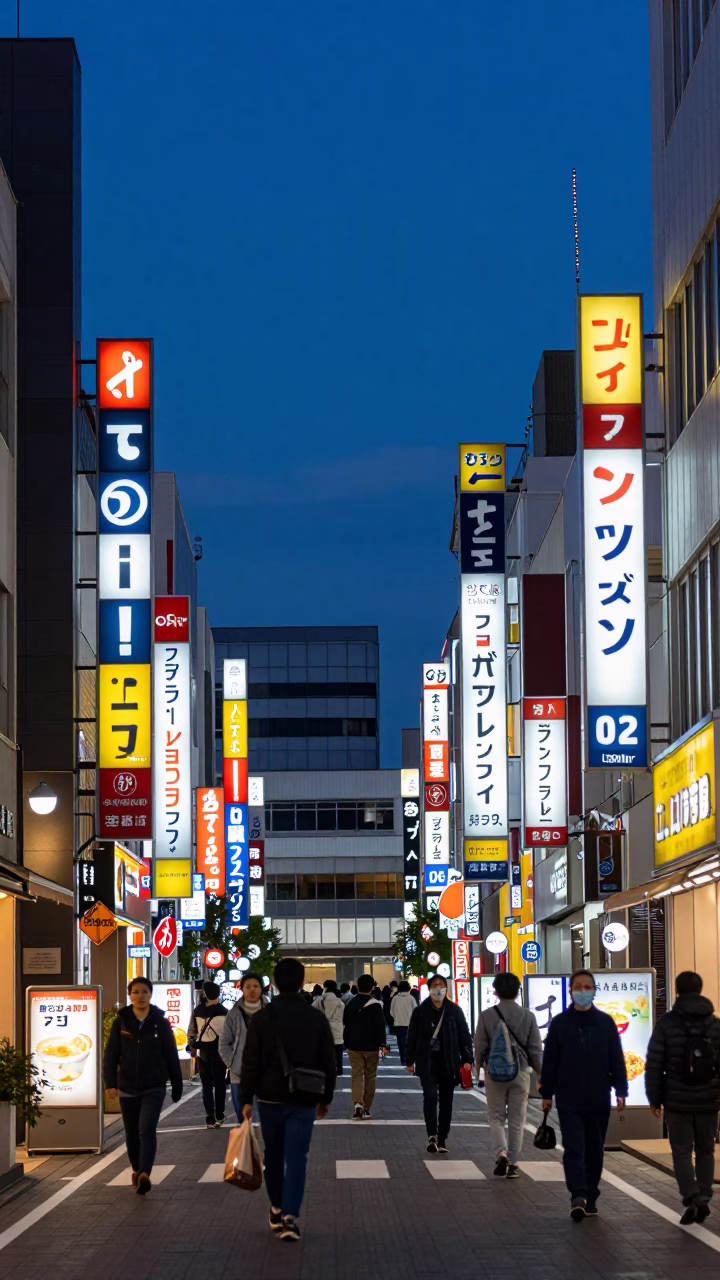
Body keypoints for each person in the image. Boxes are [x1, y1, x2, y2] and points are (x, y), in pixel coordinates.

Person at [240, 958, 336, 1243]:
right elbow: (328, 1061)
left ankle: (277, 1206)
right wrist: (325, 1097)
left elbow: (250, 1061)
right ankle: (290, 1216)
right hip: (304, 1099)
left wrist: (246, 1098)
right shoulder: (315, 1017)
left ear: (275, 983)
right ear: (301, 980)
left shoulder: (262, 1018)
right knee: (297, 1158)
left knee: (273, 1155)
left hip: (269, 1099)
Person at [540, 969, 628, 1221]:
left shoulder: (606, 1022)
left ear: (594, 991)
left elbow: (616, 1057)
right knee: (574, 1146)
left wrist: (621, 1089)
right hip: (569, 1097)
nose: (583, 991)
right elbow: (551, 1061)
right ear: (570, 992)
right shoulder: (559, 1023)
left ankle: (591, 1195)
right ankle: (578, 1194)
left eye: (587, 987)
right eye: (578, 987)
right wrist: (547, 1093)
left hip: (599, 1096)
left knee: (595, 1149)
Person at [645, 969, 720, 1224]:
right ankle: (705, 1195)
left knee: (681, 1150)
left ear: (676, 991)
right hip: (709, 1099)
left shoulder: (667, 1023)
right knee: (706, 1149)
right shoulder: (715, 1024)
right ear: (700, 989)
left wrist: (654, 1097)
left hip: (676, 1098)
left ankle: (692, 1198)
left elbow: (655, 1062)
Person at [103, 976, 183, 1195]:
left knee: (146, 1129)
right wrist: (110, 1082)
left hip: (154, 1086)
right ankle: (137, 1170)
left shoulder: (160, 1022)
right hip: (127, 1087)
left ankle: (145, 1173)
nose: (140, 996)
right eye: (136, 992)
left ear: (150, 994)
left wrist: (177, 1085)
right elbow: (111, 1055)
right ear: (130, 995)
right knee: (131, 1134)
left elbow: (170, 1055)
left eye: (144, 992)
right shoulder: (121, 1023)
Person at [474, 972, 543, 1177]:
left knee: (495, 1116)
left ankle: (500, 1152)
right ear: (517, 991)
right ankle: (513, 1163)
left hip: (494, 1073)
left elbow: (479, 1046)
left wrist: (479, 1068)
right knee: (517, 1119)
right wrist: (542, 1074)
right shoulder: (528, 1016)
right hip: (521, 1073)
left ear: (495, 991)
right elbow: (535, 1049)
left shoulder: (486, 1015)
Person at [405, 974, 473, 1154]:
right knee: (429, 1096)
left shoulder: (454, 1011)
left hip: (449, 1061)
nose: (438, 989)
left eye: (441, 986)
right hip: (427, 1061)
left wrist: (467, 1059)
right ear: (429, 989)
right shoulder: (420, 1011)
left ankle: (443, 1137)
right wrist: (409, 1059)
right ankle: (432, 1135)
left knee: (446, 1100)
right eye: (434, 986)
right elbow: (412, 1036)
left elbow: (464, 1036)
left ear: (446, 989)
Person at [219, 971, 268, 1122]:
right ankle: (248, 1145)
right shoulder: (234, 1013)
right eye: (248, 986)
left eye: (256, 986)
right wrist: (233, 1065)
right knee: (243, 1118)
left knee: (266, 1118)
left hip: (266, 1074)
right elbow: (223, 1044)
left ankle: (263, 1145)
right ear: (242, 989)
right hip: (239, 1074)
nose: (252, 989)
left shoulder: (270, 1011)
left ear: (261, 988)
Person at [343, 974, 388, 1118]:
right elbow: (380, 1027)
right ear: (372, 987)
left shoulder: (350, 1003)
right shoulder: (375, 1005)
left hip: (354, 1045)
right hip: (371, 1046)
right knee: (370, 1077)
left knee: (356, 1075)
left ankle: (357, 1104)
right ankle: (367, 1108)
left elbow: (346, 1023)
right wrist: (382, 1044)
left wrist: (347, 1042)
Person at [187, 980, 229, 1128]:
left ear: (205, 993)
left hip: (203, 1053)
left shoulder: (197, 1011)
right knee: (220, 1085)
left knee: (206, 1087)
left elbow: (192, 1031)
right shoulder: (224, 1011)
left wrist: (192, 1046)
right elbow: (229, 1035)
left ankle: (209, 1117)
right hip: (219, 1053)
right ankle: (219, 1116)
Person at [313, 979, 346, 1076]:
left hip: (324, 1029)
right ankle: (339, 1070)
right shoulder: (340, 1002)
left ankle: (326, 1070)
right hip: (338, 1030)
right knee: (338, 1052)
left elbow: (312, 1011)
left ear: (325, 987)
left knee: (325, 1052)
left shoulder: (320, 999)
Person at [390, 981, 416, 1065]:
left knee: (400, 1041)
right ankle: (408, 1057)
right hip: (409, 1023)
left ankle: (402, 1058)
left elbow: (391, 1011)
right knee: (409, 1041)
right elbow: (415, 1010)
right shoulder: (411, 998)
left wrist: (396, 1017)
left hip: (398, 1023)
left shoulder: (395, 998)